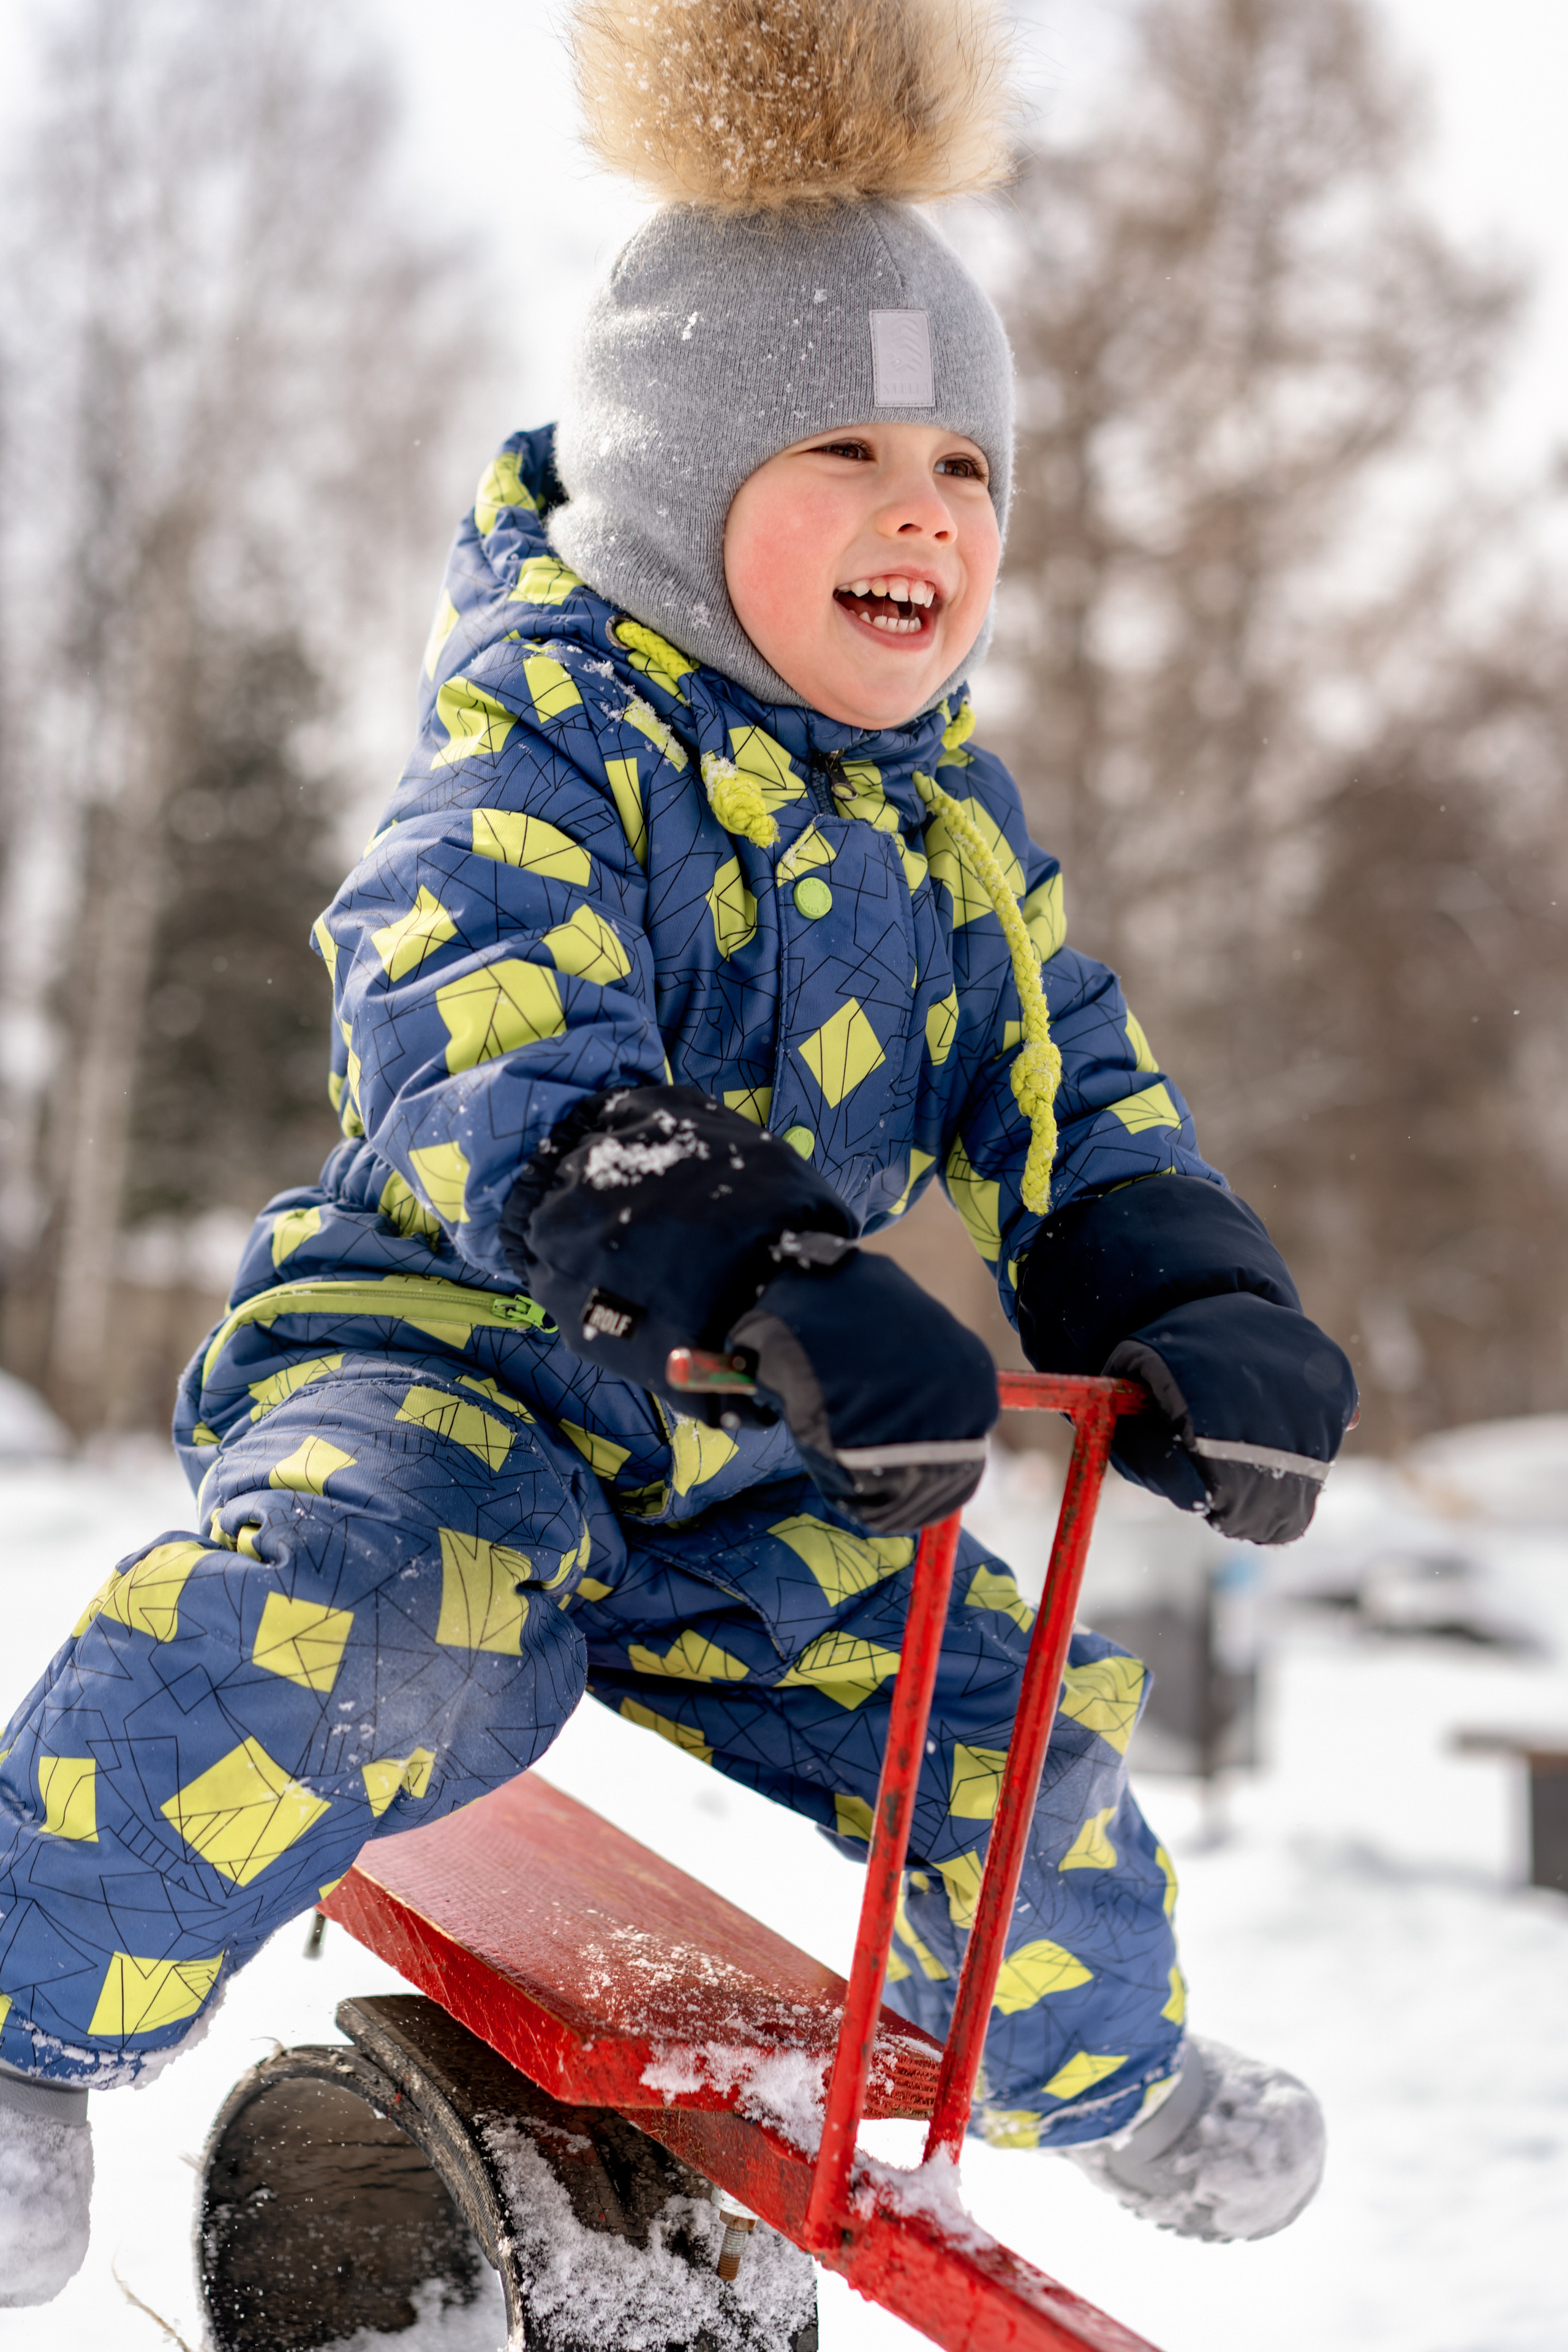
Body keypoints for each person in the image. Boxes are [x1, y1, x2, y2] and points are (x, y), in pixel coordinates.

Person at [0, 0, 1354, 2304]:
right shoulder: (543, 746)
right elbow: (489, 1031)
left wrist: (1182, 1281)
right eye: (847, 446)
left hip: (757, 1449)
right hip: (459, 1372)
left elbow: (1070, 1090)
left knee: (996, 1723)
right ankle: (27, 2012)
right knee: (354, 1625)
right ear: (668, 480)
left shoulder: (950, 844)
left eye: (969, 464)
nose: (928, 508)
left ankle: (1114, 2068)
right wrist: (748, 1257)